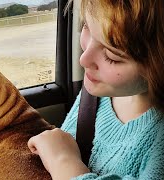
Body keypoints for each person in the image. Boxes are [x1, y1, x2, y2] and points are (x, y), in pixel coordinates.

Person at [27, 0, 164, 179]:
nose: (83, 59)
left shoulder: (158, 146)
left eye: (112, 56)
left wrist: (63, 161)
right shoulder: (99, 94)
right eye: (86, 27)